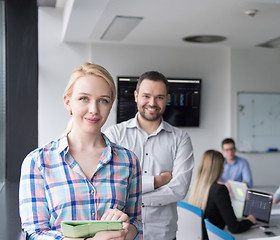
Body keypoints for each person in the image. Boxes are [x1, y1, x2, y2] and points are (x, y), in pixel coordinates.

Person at [19, 62, 142, 240]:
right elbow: (33, 233)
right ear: (68, 102)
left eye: (103, 100)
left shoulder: (128, 161)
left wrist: (127, 230)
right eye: (84, 98)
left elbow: (137, 223)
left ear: (111, 105)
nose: (94, 110)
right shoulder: (37, 162)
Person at [104, 71, 194, 240]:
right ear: (136, 96)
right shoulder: (114, 135)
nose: (152, 103)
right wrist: (157, 182)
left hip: (163, 235)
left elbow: (179, 189)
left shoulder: (180, 139)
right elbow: (110, 187)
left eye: (159, 97)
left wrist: (132, 197)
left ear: (167, 98)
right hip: (122, 235)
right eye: (146, 96)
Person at [188, 150, 256, 240]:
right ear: (219, 168)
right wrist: (249, 220)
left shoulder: (197, 187)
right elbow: (234, 227)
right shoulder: (219, 190)